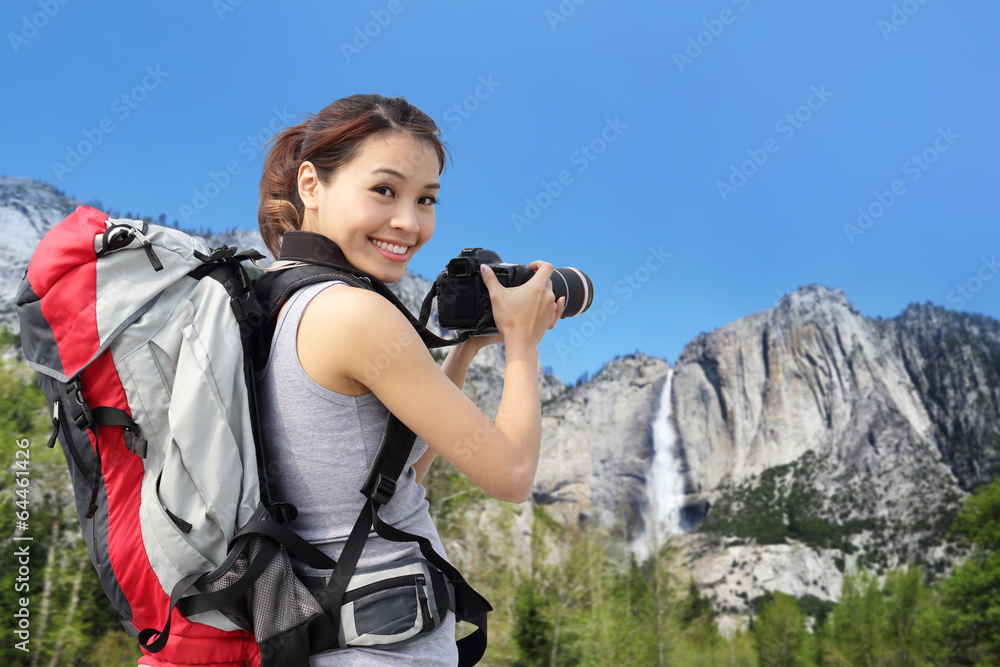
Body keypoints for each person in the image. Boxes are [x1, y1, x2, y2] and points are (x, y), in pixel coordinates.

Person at [254, 93, 565, 665]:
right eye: (384, 190)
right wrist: (522, 345)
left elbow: (390, 479)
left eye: (426, 199)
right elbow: (513, 475)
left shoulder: (280, 296)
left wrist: (463, 353)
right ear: (311, 185)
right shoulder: (357, 313)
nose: (409, 221)